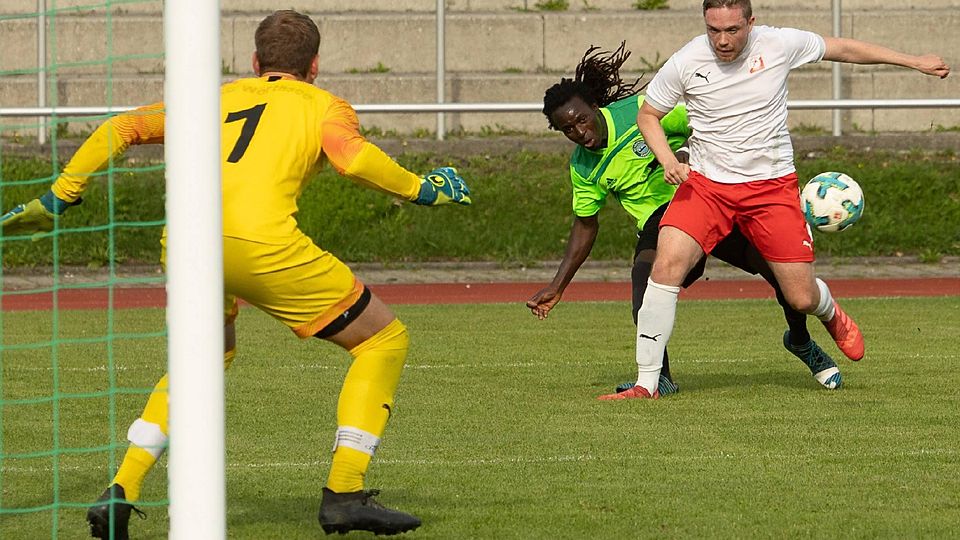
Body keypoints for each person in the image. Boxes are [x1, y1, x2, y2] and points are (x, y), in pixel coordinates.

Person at [1, 10, 471, 537]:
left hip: (184, 243)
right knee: (383, 340)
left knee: (201, 361)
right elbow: (353, 159)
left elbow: (121, 126)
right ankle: (345, 492)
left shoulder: (212, 98)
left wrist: (60, 195)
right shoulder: (324, 105)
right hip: (260, 245)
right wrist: (424, 188)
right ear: (314, 65)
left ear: (254, 61)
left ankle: (121, 491)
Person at [623, 0, 950, 399]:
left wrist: (913, 61)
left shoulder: (779, 43)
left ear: (751, 23)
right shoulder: (687, 59)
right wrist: (668, 159)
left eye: (732, 30)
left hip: (771, 189)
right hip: (707, 187)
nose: (723, 40)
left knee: (800, 296)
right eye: (714, 31)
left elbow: (843, 49)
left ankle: (829, 312)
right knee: (665, 266)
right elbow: (648, 115)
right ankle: (647, 384)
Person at [526, 42, 842, 398]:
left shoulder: (640, 112)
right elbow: (585, 225)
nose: (580, 132)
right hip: (659, 223)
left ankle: (800, 341)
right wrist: (558, 285)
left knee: (783, 278)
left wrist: (682, 153)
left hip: (709, 200)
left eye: (582, 119)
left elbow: (707, 125)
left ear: (596, 107)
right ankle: (659, 377)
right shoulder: (583, 168)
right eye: (568, 129)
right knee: (644, 285)